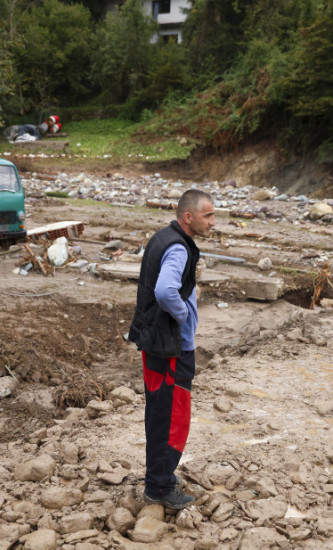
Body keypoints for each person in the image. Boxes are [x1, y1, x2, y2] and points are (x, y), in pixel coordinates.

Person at [128, 189, 216, 509]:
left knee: (158, 413)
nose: (213, 222)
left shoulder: (164, 236)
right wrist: (183, 317)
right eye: (208, 215)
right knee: (172, 418)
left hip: (154, 342)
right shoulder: (178, 247)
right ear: (188, 217)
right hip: (169, 347)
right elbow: (166, 291)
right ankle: (160, 487)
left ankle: (159, 476)